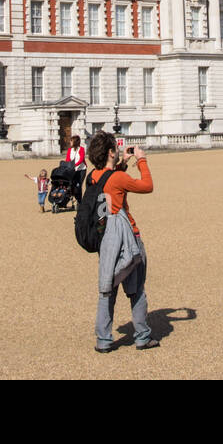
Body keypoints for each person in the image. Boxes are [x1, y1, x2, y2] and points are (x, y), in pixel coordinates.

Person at [86, 131, 158, 352]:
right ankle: (142, 336)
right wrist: (141, 160)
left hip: (105, 239)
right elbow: (147, 186)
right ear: (109, 152)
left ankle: (104, 340)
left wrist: (122, 164)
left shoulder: (91, 177)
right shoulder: (118, 178)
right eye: (115, 149)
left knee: (108, 288)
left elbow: (110, 183)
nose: (118, 151)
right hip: (127, 238)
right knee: (136, 289)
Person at [64, 134, 87, 203]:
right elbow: (67, 159)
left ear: (75, 142)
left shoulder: (81, 149)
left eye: (71, 141)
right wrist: (67, 166)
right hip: (73, 170)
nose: (70, 142)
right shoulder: (69, 150)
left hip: (81, 170)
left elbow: (81, 159)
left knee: (79, 185)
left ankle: (79, 201)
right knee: (72, 184)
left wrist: (74, 165)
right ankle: (73, 198)